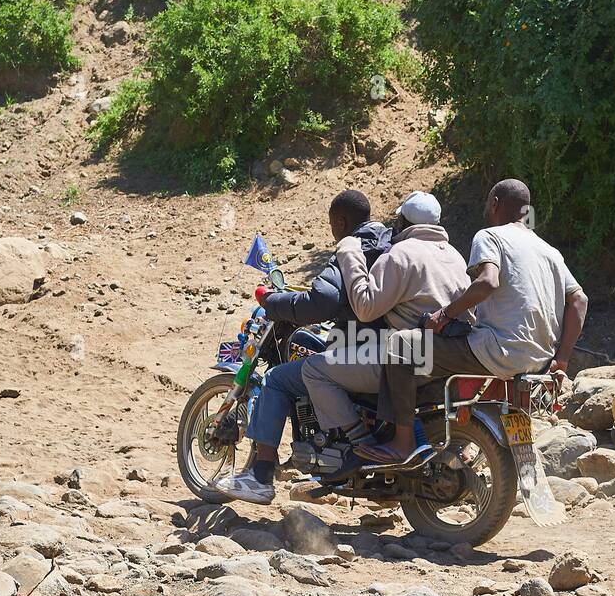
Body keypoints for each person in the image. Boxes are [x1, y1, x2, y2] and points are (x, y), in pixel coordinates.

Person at [356, 179, 588, 466]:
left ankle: (402, 443)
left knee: (401, 347)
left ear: (495, 203)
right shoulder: (548, 249)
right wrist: (562, 360)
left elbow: (487, 282)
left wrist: (445, 315)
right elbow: (579, 301)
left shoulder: (490, 236)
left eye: (487, 201)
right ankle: (455, 439)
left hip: (499, 350)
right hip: (539, 361)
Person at [216, 190, 390, 504]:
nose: (333, 231)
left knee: (277, 379)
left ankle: (259, 476)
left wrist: (275, 303)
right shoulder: (391, 246)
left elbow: (322, 301)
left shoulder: (350, 249)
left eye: (332, 225)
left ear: (340, 221)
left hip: (364, 354)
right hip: (401, 352)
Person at [300, 191, 469, 447]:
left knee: (313, 369)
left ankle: (360, 446)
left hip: (412, 356)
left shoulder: (402, 254)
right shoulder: (455, 256)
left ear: (403, 223)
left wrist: (349, 254)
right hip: (451, 354)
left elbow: (366, 309)